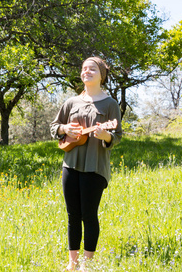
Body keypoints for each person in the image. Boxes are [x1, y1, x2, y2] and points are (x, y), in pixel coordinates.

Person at [50, 56, 122, 271]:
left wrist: (105, 136)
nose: (86, 72)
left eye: (92, 69)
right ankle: (72, 263)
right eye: (84, 69)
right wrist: (65, 130)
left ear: (102, 75)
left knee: (89, 215)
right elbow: (55, 126)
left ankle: (87, 265)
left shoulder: (110, 104)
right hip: (70, 165)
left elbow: (117, 135)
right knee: (73, 215)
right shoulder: (71, 102)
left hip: (95, 166)